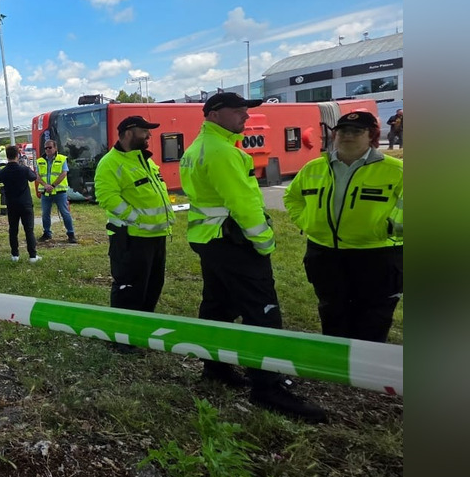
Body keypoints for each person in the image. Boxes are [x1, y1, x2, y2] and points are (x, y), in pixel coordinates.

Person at [180, 92, 326, 422]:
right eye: (239, 111)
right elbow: (244, 204)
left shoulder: (201, 147)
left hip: (212, 240)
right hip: (234, 243)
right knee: (264, 314)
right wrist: (265, 243)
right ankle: (267, 387)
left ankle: (216, 368)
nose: (245, 117)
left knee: (217, 306)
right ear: (215, 115)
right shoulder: (221, 153)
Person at [283, 111, 403, 343]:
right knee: (332, 308)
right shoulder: (314, 167)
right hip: (325, 253)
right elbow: (292, 197)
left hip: (376, 254)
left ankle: (366, 367)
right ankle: (336, 362)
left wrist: (388, 228)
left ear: (371, 136)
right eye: (342, 131)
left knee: (374, 313)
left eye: (357, 131)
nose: (348, 135)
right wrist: (306, 222)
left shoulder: (395, 171)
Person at [94, 116, 174, 352]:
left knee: (152, 285)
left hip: (155, 236)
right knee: (129, 288)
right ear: (128, 133)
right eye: (144, 132)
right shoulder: (110, 163)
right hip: (130, 238)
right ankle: (122, 338)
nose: (149, 136)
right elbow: (107, 197)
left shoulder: (145, 161)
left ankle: (141, 331)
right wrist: (137, 219)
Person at [0, 144, 40, 263]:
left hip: (11, 204)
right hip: (25, 203)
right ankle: (32, 256)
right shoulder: (23, 169)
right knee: (29, 230)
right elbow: (33, 177)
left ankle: (15, 255)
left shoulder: (2, 172)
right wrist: (26, 166)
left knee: (13, 230)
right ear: (17, 155)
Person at [35, 139, 78, 244]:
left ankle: (71, 234)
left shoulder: (62, 159)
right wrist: (46, 185)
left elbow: (64, 173)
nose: (47, 150)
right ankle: (47, 233)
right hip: (46, 192)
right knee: (45, 214)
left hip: (59, 192)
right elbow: (36, 175)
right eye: (46, 148)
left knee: (65, 213)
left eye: (50, 147)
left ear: (55, 148)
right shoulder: (39, 161)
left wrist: (53, 185)